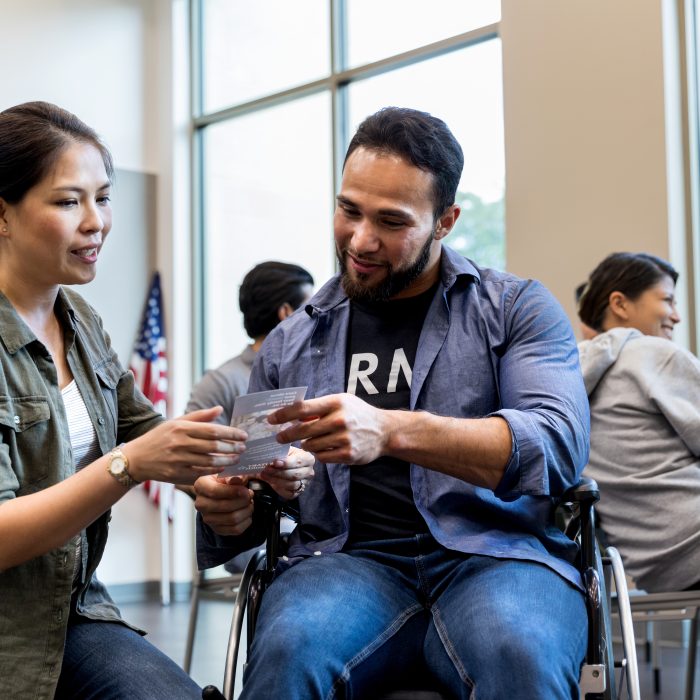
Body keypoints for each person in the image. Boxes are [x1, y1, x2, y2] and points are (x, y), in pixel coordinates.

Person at [195, 107, 590, 699]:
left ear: (446, 221)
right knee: (287, 653)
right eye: (348, 210)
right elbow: (253, 496)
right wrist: (231, 506)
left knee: (520, 654)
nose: (360, 239)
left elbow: (554, 444)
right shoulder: (290, 341)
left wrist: (391, 430)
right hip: (344, 562)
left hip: (498, 555)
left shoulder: (515, 310)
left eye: (391, 221)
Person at [0, 101, 310, 700]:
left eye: (103, 197)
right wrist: (128, 465)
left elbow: (154, 434)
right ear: (4, 214)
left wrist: (246, 470)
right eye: (69, 202)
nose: (97, 221)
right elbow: (136, 455)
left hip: (74, 613)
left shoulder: (80, 320)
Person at [577, 252, 700, 593]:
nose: (675, 316)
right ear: (620, 303)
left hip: (655, 569)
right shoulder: (654, 355)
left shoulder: (567, 379)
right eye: (667, 300)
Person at [186, 261, 314, 426]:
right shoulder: (220, 383)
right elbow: (190, 447)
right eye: (308, 309)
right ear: (286, 312)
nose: (315, 317)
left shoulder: (313, 373)